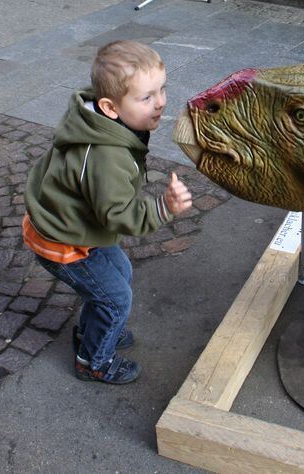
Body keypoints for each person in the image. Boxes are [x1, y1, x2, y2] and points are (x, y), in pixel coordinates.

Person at [24, 40, 193, 384]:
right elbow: (117, 214)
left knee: (118, 275)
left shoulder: (102, 119)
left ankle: (92, 333)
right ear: (110, 106)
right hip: (65, 242)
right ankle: (93, 361)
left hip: (78, 223)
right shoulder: (106, 156)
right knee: (116, 300)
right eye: (146, 97)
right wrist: (164, 207)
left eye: (162, 89)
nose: (160, 102)